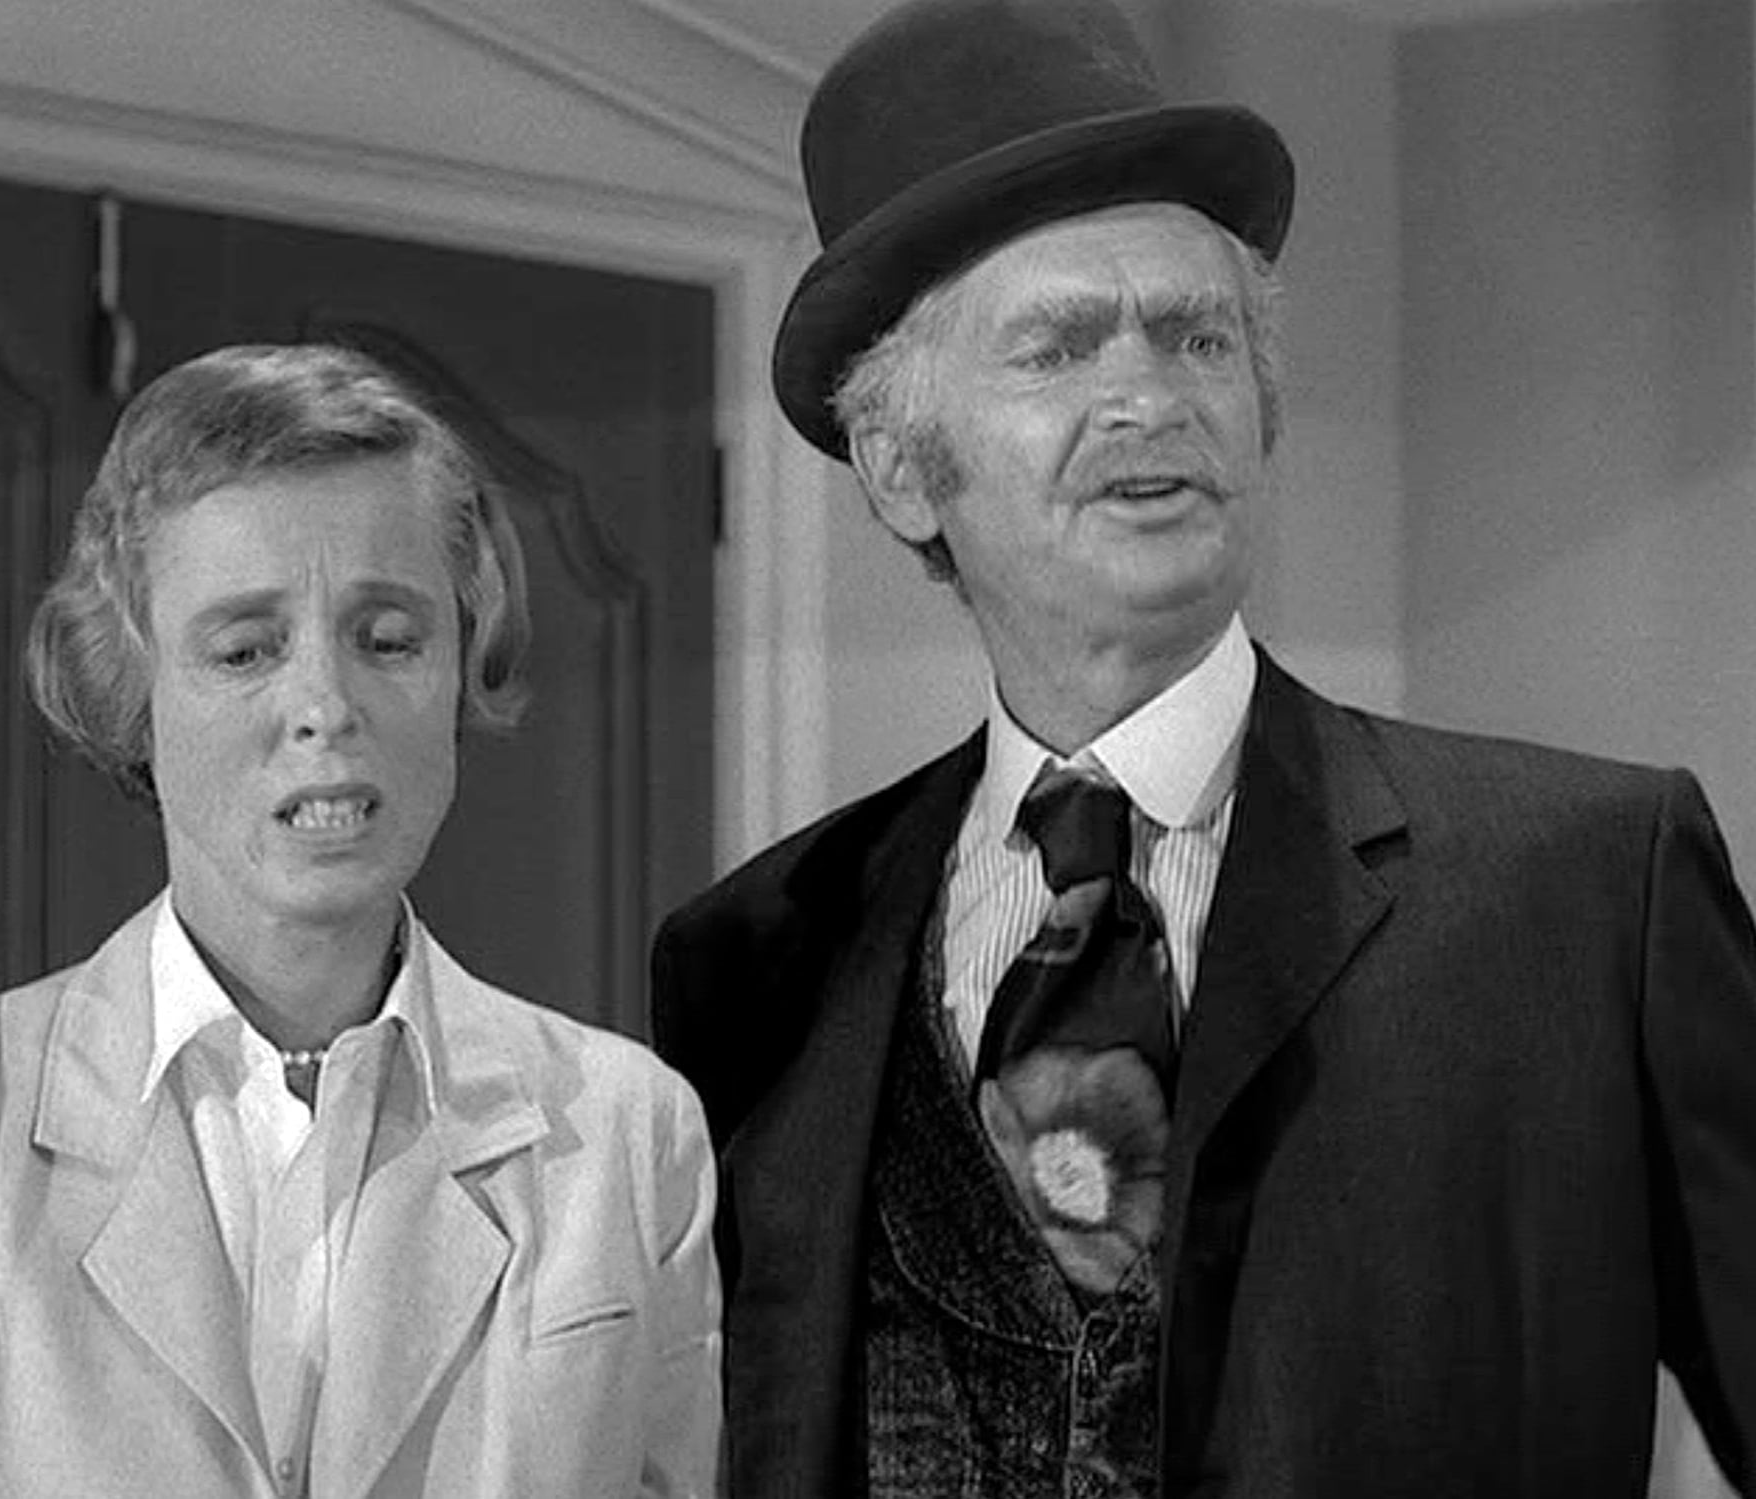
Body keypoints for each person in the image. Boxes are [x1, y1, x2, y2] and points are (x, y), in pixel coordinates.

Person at [649, 1, 1756, 1495]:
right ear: (902, 470)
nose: (1147, 396)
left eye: (1196, 336)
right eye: (1055, 348)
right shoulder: (753, 962)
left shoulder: (1589, 891)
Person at [0, 343, 721, 1498]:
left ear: (461, 665)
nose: (324, 705)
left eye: (387, 638)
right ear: (133, 690)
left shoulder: (628, 1134)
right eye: (245, 649)